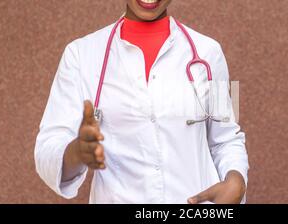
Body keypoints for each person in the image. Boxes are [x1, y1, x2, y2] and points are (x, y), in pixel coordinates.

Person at [35, 0, 249, 204]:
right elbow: (48, 146)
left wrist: (236, 181)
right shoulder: (80, 55)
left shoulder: (209, 53)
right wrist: (77, 152)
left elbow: (227, 138)